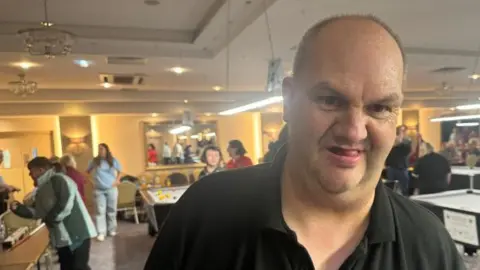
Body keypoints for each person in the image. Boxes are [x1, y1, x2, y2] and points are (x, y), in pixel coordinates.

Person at [144, 15, 464, 270]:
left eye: (379, 108)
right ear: (288, 101)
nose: (353, 131)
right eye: (329, 99)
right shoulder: (204, 214)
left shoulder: (429, 244)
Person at [10, 157, 96, 270]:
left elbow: (65, 203)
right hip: (62, 238)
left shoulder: (59, 179)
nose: (30, 174)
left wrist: (50, 219)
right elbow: (38, 212)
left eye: (31, 171)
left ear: (41, 170)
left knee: (78, 267)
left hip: (77, 233)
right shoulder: (43, 188)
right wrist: (18, 208)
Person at [87, 143, 122, 242]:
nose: (100, 151)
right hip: (99, 190)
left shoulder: (113, 160)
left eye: (102, 149)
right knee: (100, 211)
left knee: (111, 210)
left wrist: (117, 180)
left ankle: (111, 230)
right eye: (99, 149)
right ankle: (101, 232)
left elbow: (120, 171)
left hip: (111, 188)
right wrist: (91, 182)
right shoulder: (94, 161)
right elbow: (87, 172)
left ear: (106, 150)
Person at [385, 125, 412, 195]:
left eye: (403, 131)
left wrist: (400, 140)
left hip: (402, 169)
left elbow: (408, 150)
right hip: (391, 168)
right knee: (391, 189)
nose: (402, 132)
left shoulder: (407, 142)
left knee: (404, 189)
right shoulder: (391, 140)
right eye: (401, 131)